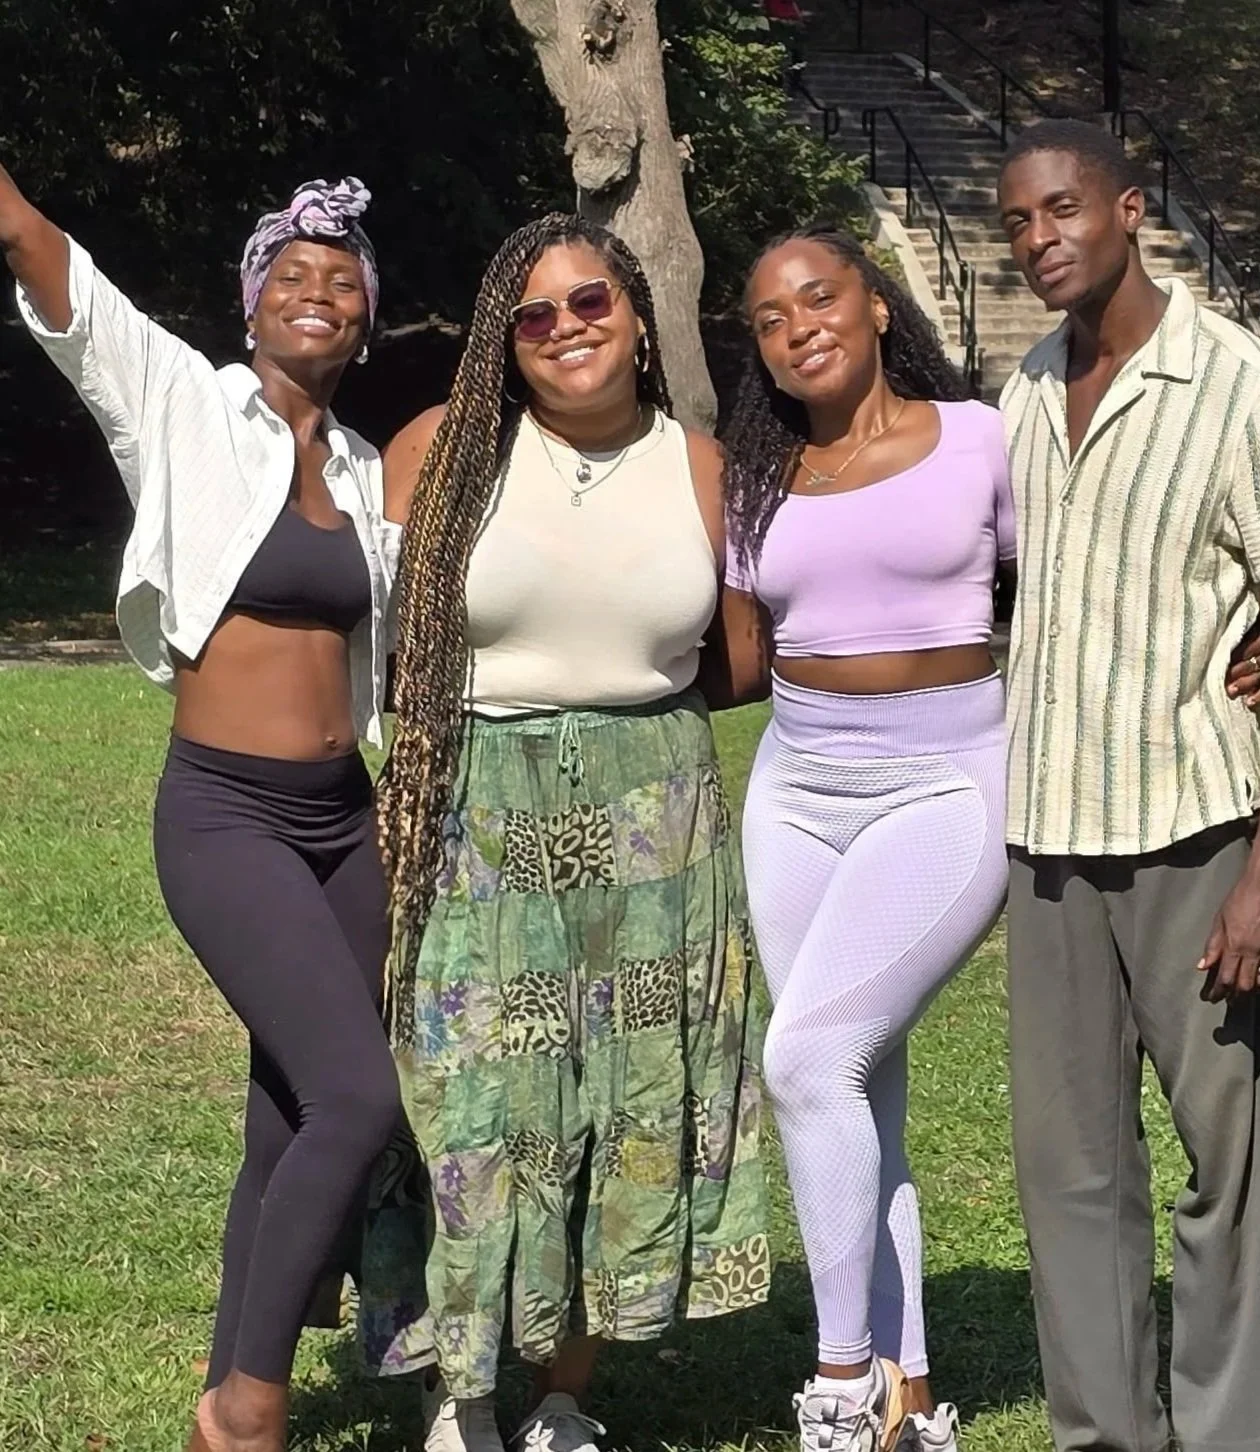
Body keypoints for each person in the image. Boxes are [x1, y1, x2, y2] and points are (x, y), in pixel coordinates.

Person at [1, 166, 403, 1452]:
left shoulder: (365, 470)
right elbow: (38, 247)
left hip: (348, 822)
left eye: (342, 282)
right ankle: (249, 1407)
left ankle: (229, 1386)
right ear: (250, 304)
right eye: (292, 274)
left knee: (285, 1115)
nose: (317, 293)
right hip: (227, 814)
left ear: (366, 320)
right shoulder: (178, 397)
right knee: (357, 1098)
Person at [366, 213, 770, 1452]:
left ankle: (560, 1395)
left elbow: (742, 659)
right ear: (504, 340)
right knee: (469, 1092)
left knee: (622, 1093)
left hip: (655, 819)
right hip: (477, 806)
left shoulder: (700, 467)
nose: (563, 329)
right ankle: (461, 1387)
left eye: (589, 302)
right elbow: (376, 639)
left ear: (638, 318)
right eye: (530, 314)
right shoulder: (441, 449)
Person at [996, 119, 1260, 1452]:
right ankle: (1103, 1432)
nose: (1038, 238)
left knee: (1223, 1166)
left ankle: (1233, 1430)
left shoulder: (1244, 386)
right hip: (1047, 839)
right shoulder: (1025, 388)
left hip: (1193, 834)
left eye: (1062, 208)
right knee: (1069, 1173)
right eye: (1018, 219)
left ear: (1129, 208)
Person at [714, 224, 1008, 1452]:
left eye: (818, 297)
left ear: (876, 304)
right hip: (794, 792)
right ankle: (910, 1400)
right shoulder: (753, 478)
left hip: (944, 786)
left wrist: (1237, 636)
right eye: (769, 320)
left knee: (803, 1061)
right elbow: (733, 659)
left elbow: (1079, 585)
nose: (798, 328)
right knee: (852, 1087)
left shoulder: (980, 439)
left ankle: (839, 1382)